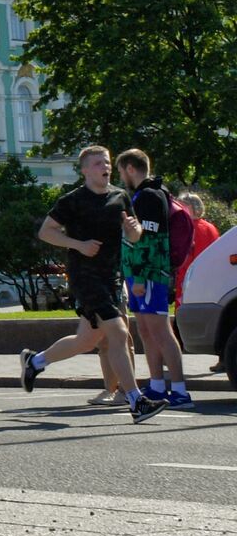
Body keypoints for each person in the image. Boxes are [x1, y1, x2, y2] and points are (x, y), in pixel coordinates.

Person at [18, 146, 167, 424]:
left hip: (111, 276)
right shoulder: (72, 200)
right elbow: (46, 232)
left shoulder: (120, 197)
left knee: (87, 340)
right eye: (98, 163)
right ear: (84, 170)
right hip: (84, 275)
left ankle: (35, 361)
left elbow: (135, 234)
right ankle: (136, 401)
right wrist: (78, 244)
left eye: (107, 162)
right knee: (118, 332)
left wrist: (133, 231)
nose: (105, 167)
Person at [116, 148, 192, 408]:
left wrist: (139, 276)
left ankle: (180, 391)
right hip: (140, 274)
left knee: (161, 332)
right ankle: (157, 385)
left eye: (120, 171)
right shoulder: (146, 194)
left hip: (148, 274)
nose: (120, 177)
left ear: (130, 168)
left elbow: (149, 240)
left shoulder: (149, 196)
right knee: (147, 331)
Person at [175, 192, 224, 373]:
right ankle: (223, 359)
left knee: (178, 322)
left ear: (191, 208)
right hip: (212, 281)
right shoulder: (210, 228)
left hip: (190, 282)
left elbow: (186, 259)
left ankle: (171, 358)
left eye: (181, 206)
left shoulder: (189, 228)